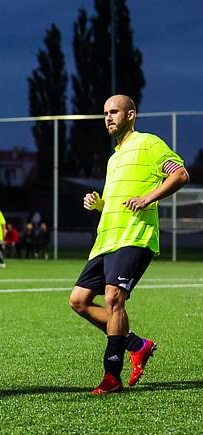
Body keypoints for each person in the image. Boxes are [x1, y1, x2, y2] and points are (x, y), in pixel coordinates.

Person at [68, 94, 189, 395]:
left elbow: (180, 174)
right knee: (79, 301)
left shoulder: (149, 143)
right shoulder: (113, 158)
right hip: (106, 239)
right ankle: (136, 344)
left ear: (131, 115)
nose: (108, 117)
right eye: (105, 113)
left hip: (135, 237)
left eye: (114, 112)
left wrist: (148, 198)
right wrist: (98, 204)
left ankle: (112, 376)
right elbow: (116, 202)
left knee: (113, 298)